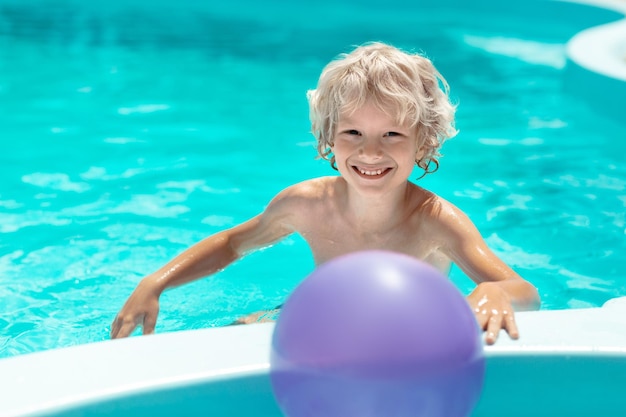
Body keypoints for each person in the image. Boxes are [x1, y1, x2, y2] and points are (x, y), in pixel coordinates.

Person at [110, 42, 540, 345]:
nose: (370, 151)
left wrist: (497, 292)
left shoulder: (435, 221)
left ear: (423, 142)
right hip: (317, 321)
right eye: (353, 132)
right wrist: (156, 282)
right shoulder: (306, 203)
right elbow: (231, 243)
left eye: (392, 134)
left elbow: (523, 290)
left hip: (400, 335)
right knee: (225, 341)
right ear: (328, 139)